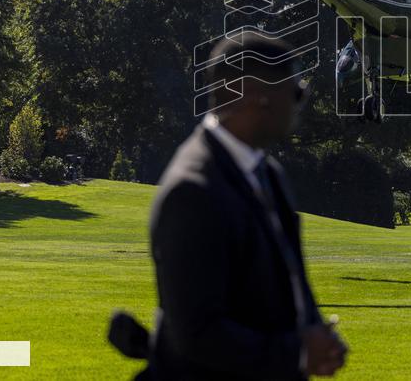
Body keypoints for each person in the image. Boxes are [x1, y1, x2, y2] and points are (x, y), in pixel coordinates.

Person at [135, 33, 347, 380]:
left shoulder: (267, 172)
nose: (300, 103)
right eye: (296, 91)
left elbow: (290, 279)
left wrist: (314, 333)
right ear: (255, 95)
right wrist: (297, 352)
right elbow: (197, 333)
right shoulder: (193, 191)